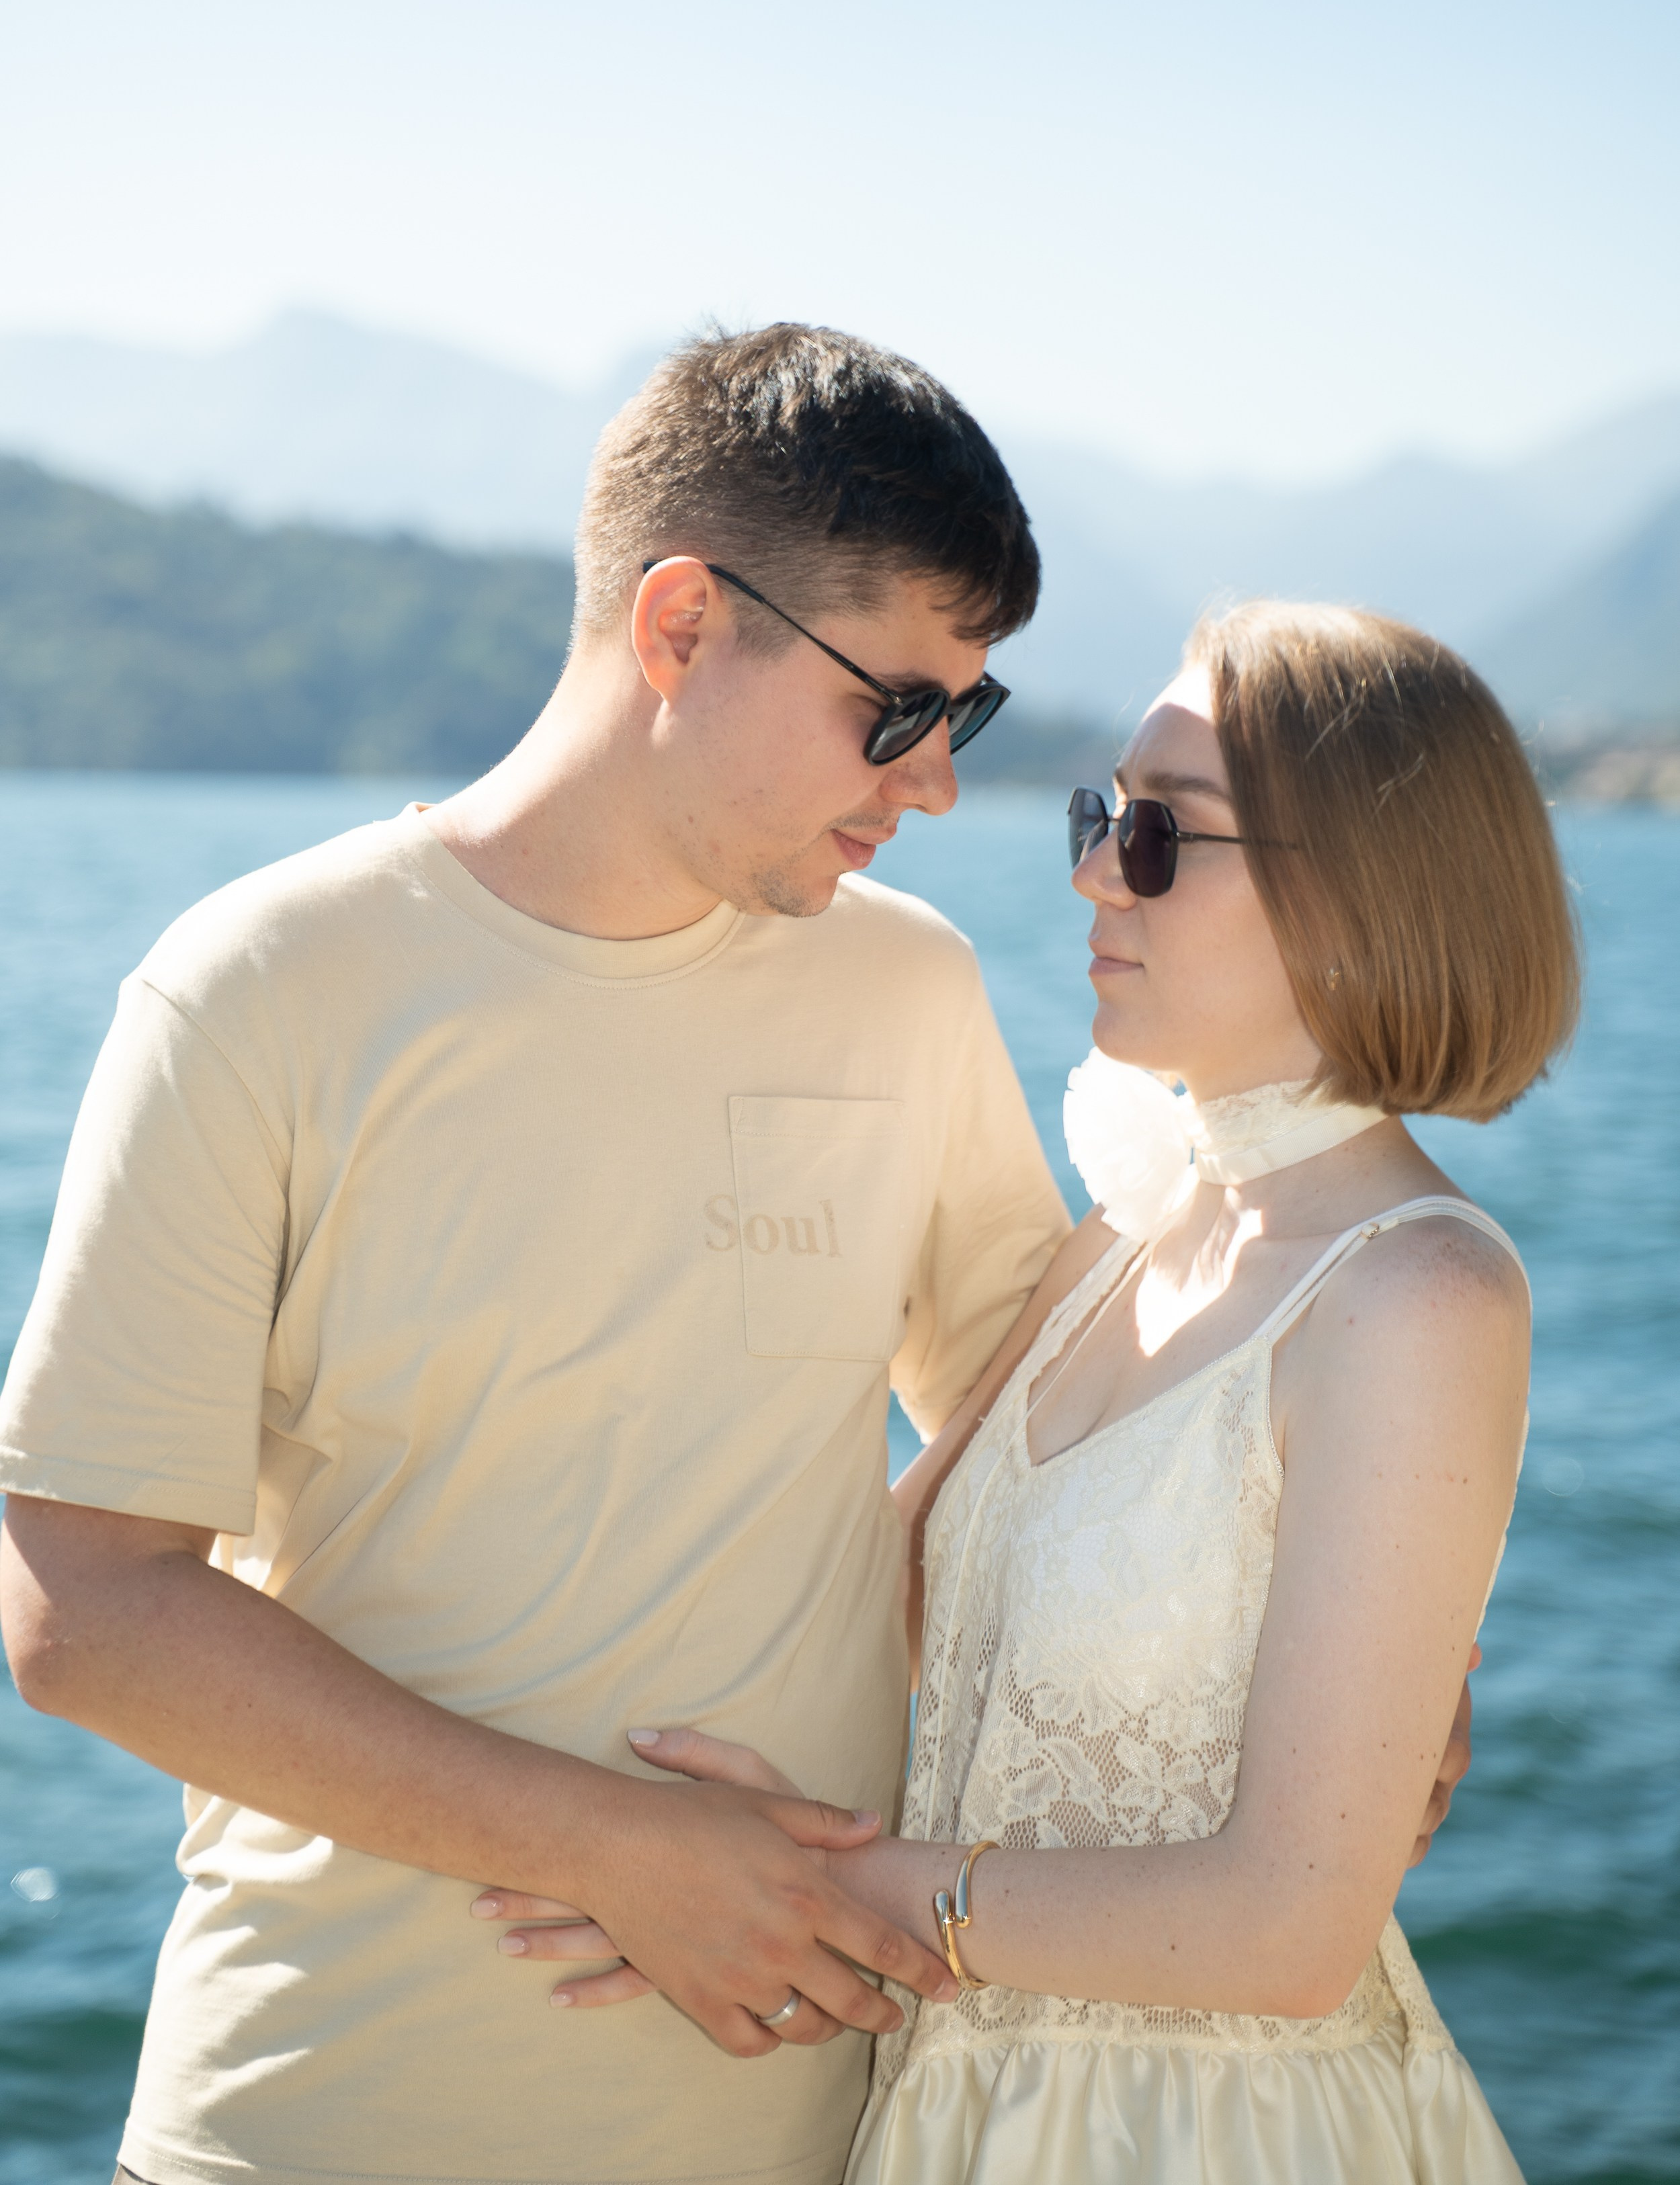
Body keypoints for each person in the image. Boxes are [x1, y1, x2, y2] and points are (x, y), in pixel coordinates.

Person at [0, 324, 1069, 2185]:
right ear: (677, 627)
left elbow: (1053, 1438)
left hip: (810, 2119)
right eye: (895, 707)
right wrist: (615, 1845)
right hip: (321, 2111)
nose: (934, 782)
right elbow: (79, 1601)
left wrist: (1339, 1642)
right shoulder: (251, 986)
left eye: (961, 719)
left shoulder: (911, 985)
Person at [493, 602, 1575, 2184]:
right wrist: (649, 1840)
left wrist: (815, 1902)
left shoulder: (1418, 1297)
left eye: (1155, 837)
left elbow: (1287, 1929)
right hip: (957, 2110)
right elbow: (879, 1596)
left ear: (1357, 890)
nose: (1088, 872)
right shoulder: (1129, 1232)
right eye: (1097, 818)